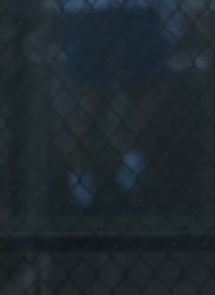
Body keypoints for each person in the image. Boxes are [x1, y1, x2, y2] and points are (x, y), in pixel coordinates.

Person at [60, 0, 179, 209]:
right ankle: (81, 190)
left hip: (130, 12)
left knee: (145, 91)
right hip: (95, 13)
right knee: (91, 99)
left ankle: (126, 172)